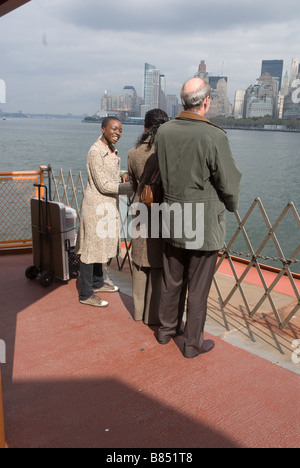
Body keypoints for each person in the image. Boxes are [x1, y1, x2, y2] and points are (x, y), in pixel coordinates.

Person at [155, 77, 242, 358]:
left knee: (172, 280)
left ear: (183, 101)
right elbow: (229, 183)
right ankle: (192, 345)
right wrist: (230, 205)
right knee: (199, 288)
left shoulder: (164, 132)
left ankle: (166, 331)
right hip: (203, 223)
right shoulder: (214, 135)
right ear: (206, 102)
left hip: (172, 216)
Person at [76, 117, 125, 307]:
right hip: (96, 206)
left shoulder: (111, 150)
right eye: (114, 129)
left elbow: (110, 174)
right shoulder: (95, 151)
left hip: (107, 206)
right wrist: (132, 188)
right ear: (103, 129)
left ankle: (97, 283)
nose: (117, 133)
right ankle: (86, 294)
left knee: (100, 246)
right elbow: (103, 185)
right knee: (90, 249)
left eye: (120, 130)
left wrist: (123, 174)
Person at [127, 109, 169, 325]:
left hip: (140, 207)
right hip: (162, 209)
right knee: (157, 260)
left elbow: (135, 185)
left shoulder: (133, 152)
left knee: (139, 260)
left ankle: (137, 312)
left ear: (145, 126)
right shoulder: (168, 150)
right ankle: (152, 316)